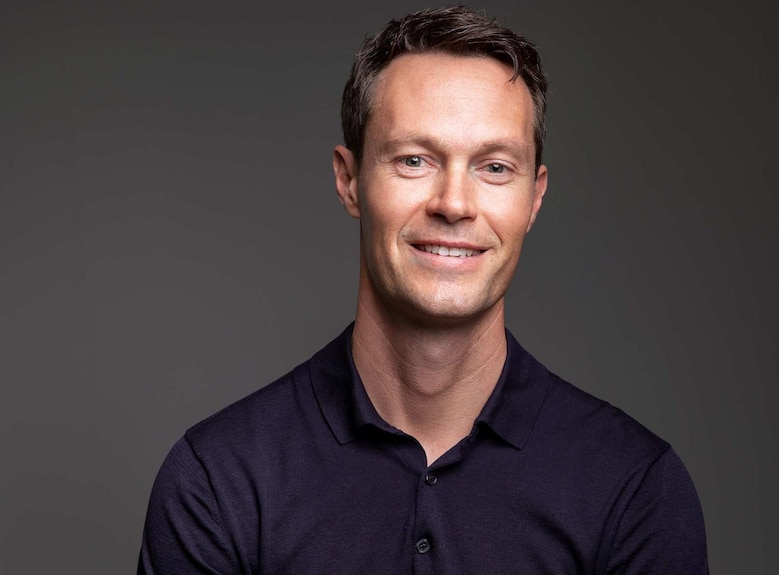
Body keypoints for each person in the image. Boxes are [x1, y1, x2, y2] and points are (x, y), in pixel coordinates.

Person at [138, 6, 708, 574]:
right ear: (349, 179)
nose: (454, 204)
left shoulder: (634, 488)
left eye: (495, 167)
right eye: (414, 160)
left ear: (534, 198)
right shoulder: (217, 482)